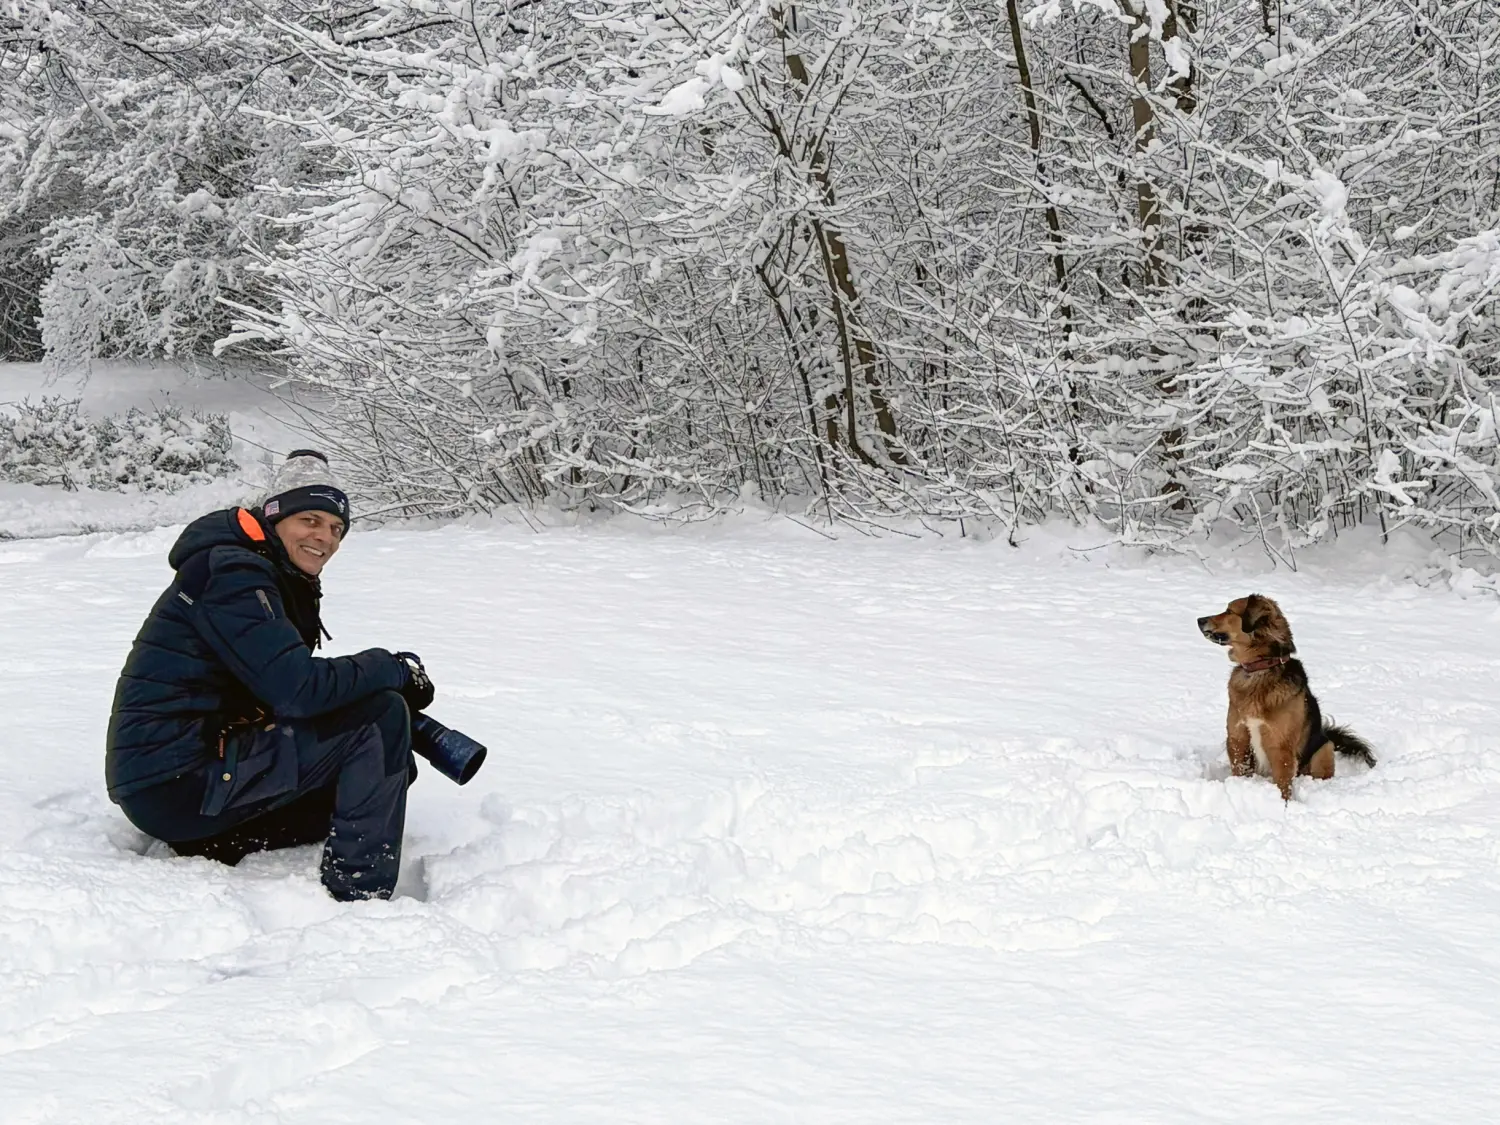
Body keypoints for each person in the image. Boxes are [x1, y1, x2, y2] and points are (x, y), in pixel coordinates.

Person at [105, 450, 434, 901]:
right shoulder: (234, 572)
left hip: (173, 781)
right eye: (311, 521)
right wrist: (387, 668)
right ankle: (361, 897)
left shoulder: (260, 568)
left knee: (384, 762)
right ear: (276, 518)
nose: (326, 538)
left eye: (337, 528)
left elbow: (280, 686)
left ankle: (211, 842)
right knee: (379, 718)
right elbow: (297, 690)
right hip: (176, 782)